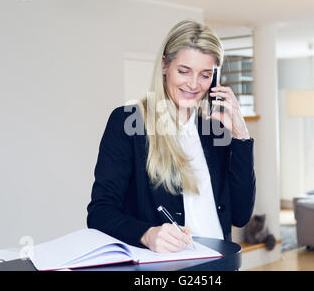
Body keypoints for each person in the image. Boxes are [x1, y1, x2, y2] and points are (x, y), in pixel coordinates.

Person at [87, 19, 256, 253]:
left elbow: (240, 215)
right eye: (184, 71)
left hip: (220, 264)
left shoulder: (214, 129)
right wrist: (146, 234)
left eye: (205, 75)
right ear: (165, 65)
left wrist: (241, 136)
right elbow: (100, 213)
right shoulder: (128, 123)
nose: (194, 84)